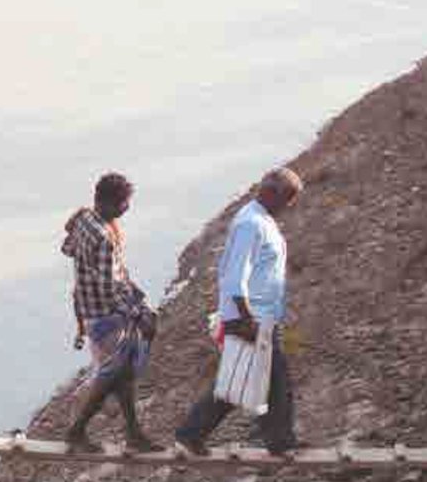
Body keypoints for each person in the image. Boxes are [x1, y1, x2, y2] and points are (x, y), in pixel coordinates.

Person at [176, 167, 305, 457]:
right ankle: (192, 435)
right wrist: (245, 320)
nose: (289, 206)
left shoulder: (260, 219)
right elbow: (235, 275)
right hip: (250, 317)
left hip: (260, 315)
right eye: (288, 199)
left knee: (259, 379)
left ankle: (278, 440)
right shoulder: (251, 224)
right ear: (271, 193)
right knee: (263, 379)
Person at [59, 173, 161, 453]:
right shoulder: (104, 236)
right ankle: (76, 431)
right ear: (110, 202)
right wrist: (138, 314)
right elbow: (108, 289)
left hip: (89, 308)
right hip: (106, 315)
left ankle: (133, 434)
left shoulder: (84, 219)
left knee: (122, 373)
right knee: (111, 374)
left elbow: (67, 249)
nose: (127, 208)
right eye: (124, 203)